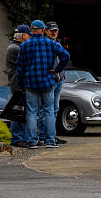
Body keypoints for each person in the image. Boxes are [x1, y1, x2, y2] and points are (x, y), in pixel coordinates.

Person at [17, 20, 70, 149]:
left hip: (30, 82)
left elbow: (20, 67)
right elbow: (66, 56)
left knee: (31, 112)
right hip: (47, 81)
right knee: (49, 111)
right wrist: (57, 70)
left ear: (31, 30)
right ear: (43, 30)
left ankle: (32, 141)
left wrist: (21, 84)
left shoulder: (25, 45)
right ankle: (50, 141)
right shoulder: (51, 44)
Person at [37, 21, 67, 145]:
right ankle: (43, 135)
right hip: (49, 80)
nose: (54, 32)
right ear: (45, 31)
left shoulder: (58, 43)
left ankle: (51, 135)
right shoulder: (44, 44)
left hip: (59, 80)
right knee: (45, 109)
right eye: (51, 30)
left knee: (54, 109)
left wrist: (62, 74)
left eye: (55, 30)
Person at [5, 25, 30, 148]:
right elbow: (24, 67)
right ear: (23, 35)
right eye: (28, 34)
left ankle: (23, 138)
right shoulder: (16, 48)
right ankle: (17, 138)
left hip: (17, 83)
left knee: (21, 110)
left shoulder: (14, 46)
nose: (30, 36)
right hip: (18, 84)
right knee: (17, 111)